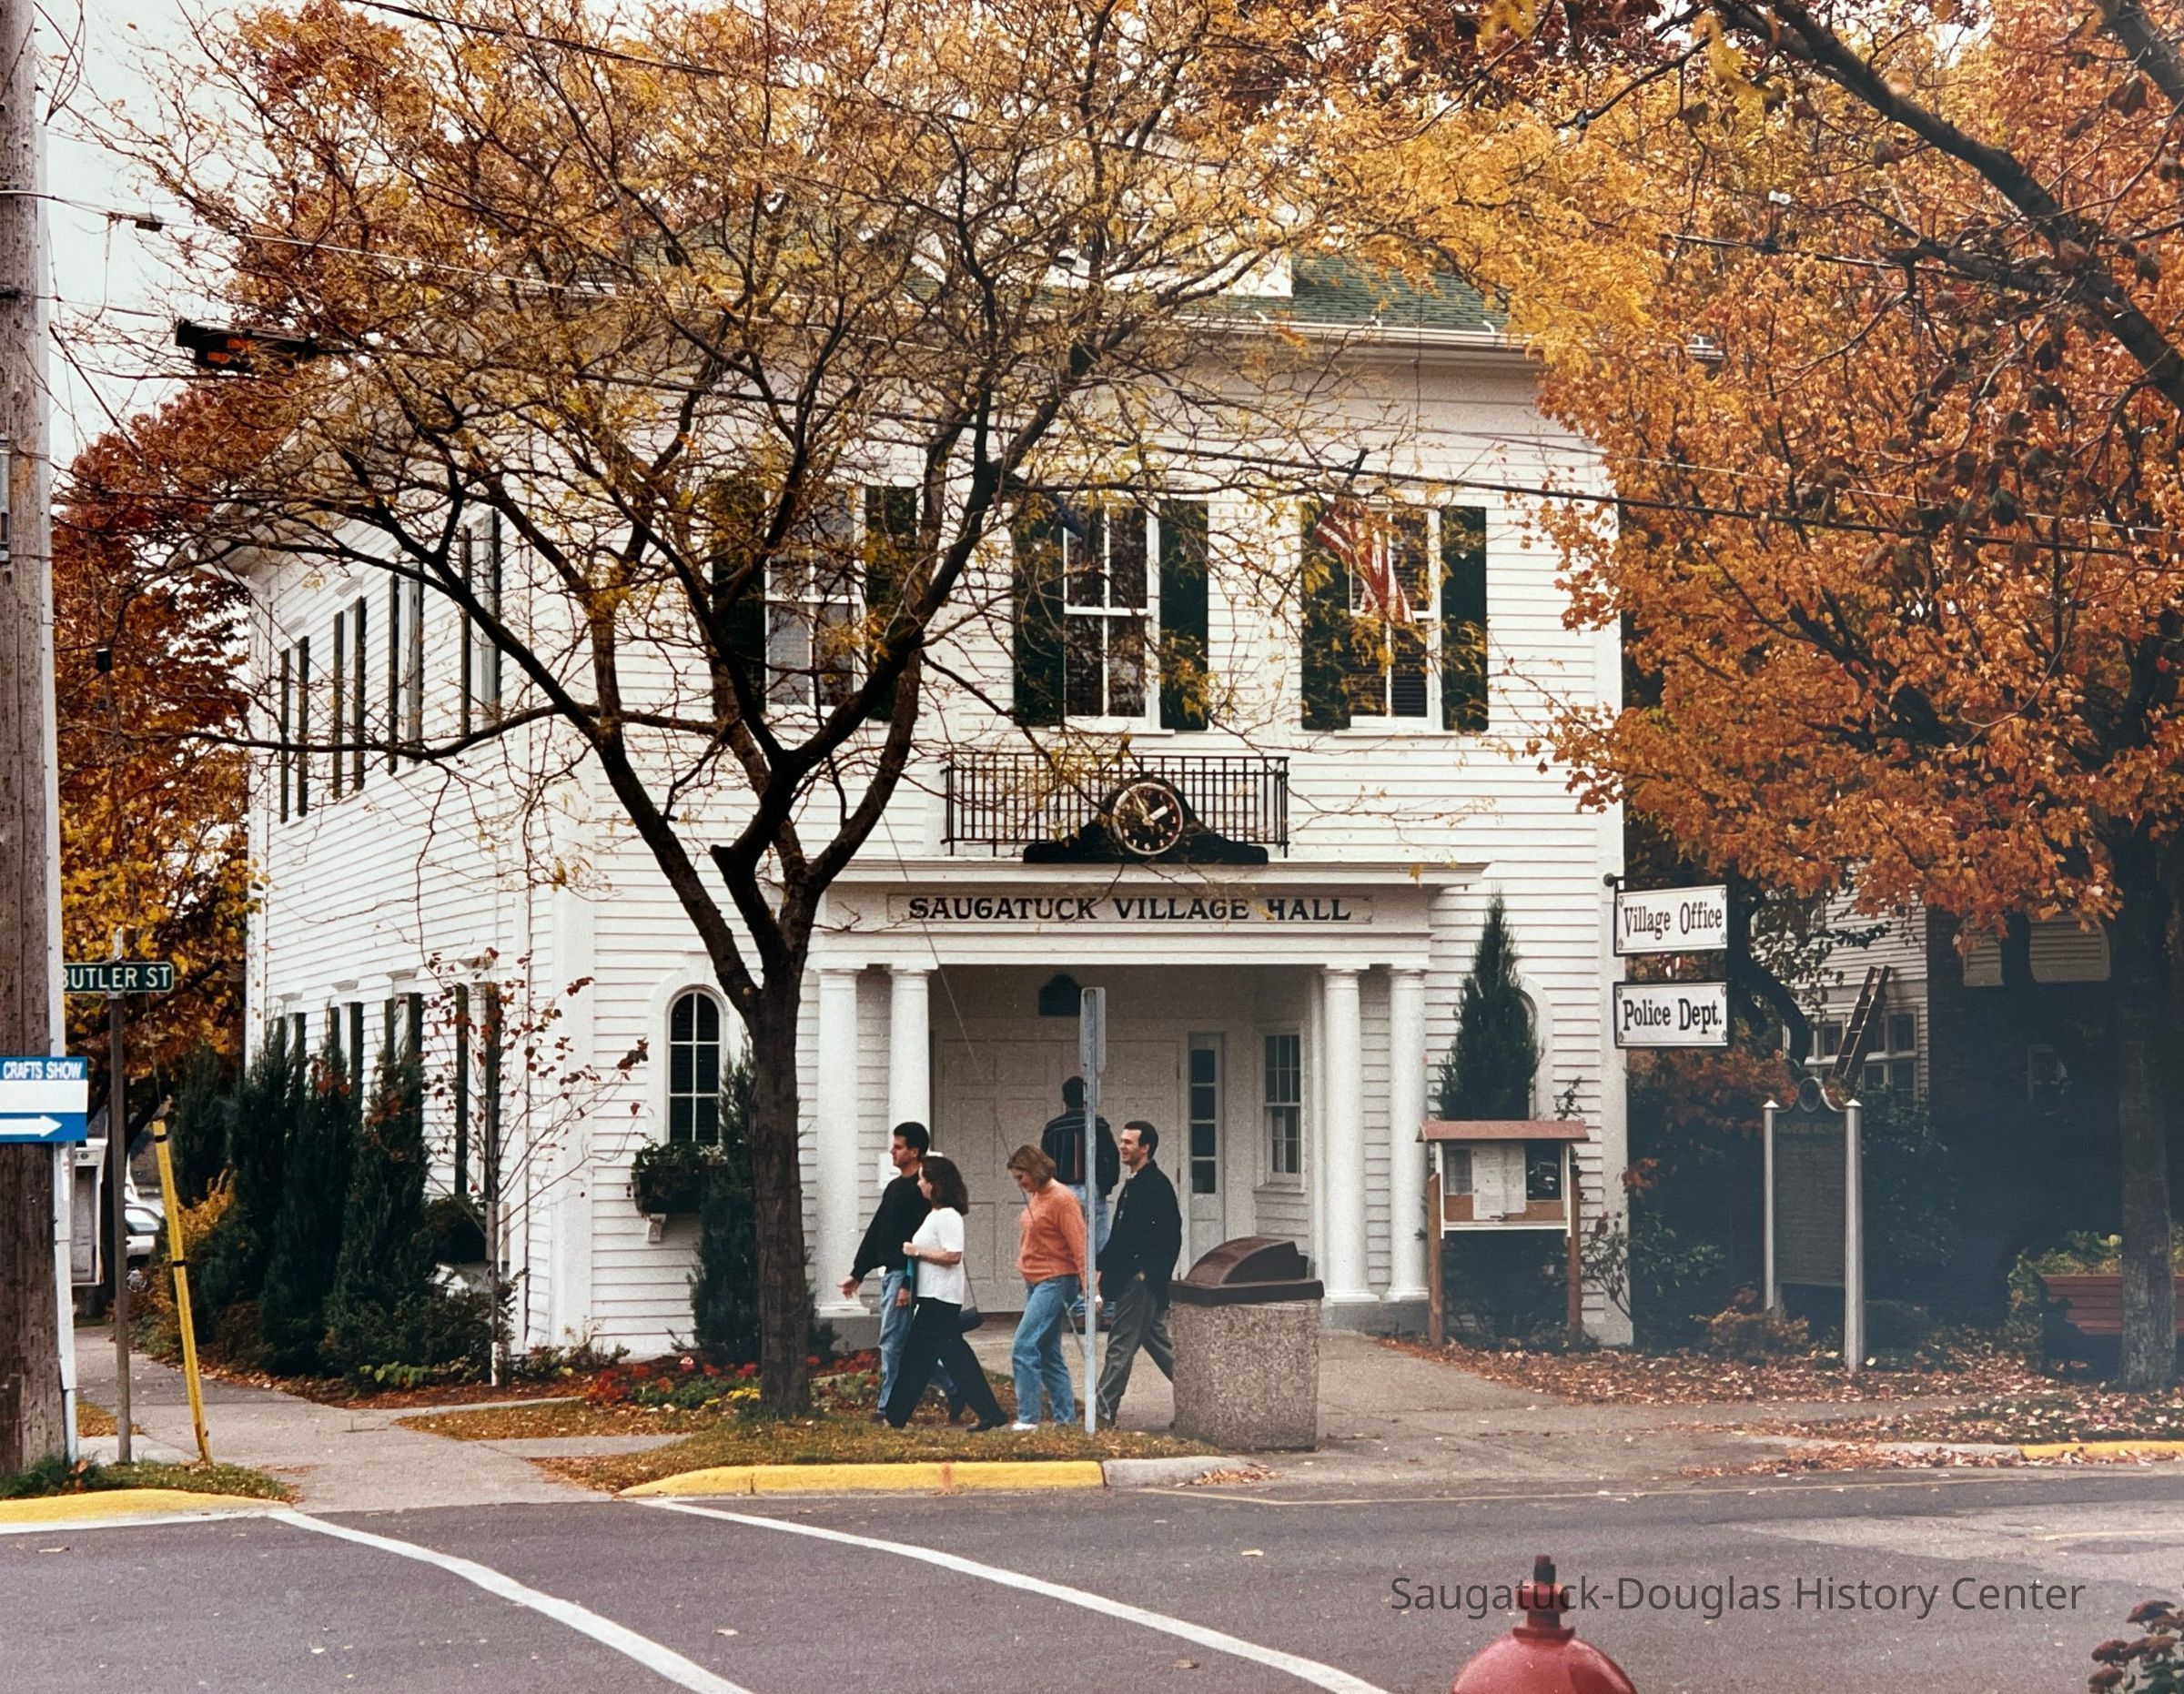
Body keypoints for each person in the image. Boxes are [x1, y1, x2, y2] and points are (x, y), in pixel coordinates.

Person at [841, 1121, 956, 1419]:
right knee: (905, 1344)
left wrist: (907, 1281)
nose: (892, 1151)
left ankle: (888, 1408)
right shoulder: (895, 1188)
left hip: (909, 1274)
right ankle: (954, 1387)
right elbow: (878, 1230)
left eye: (898, 1146)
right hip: (894, 1273)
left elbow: (917, 1242)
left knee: (891, 1340)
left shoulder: (922, 1192)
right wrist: (858, 1272)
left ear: (914, 1151)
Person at [882, 1156, 1006, 1431]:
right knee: (956, 1357)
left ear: (937, 1184)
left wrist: (917, 1251)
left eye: (924, 1179)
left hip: (940, 1299)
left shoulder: (948, 1215)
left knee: (915, 1358)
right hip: (932, 1297)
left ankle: (895, 1417)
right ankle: (991, 1413)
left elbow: (953, 1255)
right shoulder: (935, 1214)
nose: (920, 1184)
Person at [1095, 1120, 1182, 1426]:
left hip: (1141, 1281)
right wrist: (1102, 1267)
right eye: (1122, 1141)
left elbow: (1170, 1236)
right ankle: (1201, 1399)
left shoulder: (1154, 1186)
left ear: (1145, 1148)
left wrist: (1148, 1273)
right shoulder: (1133, 1184)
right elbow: (1121, 1236)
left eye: (1129, 1142)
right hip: (1134, 1279)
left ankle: (1101, 1415)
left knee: (1120, 1344)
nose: (1122, 1147)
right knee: (1159, 1344)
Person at [1006, 1143, 1086, 1428]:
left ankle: (1028, 1419)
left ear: (1035, 1170)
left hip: (1055, 1280)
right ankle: (1065, 1420)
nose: (1020, 1184)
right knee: (1049, 1351)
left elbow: (1080, 1244)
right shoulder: (1038, 1196)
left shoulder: (1063, 1198)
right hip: (1035, 1280)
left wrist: (1089, 1289)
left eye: (1021, 1177)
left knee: (1024, 1346)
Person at [1040, 1076, 1116, 1321]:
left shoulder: (1053, 1128)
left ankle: (1080, 1309)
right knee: (1100, 1248)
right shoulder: (1098, 1124)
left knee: (1070, 1249)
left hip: (1064, 1191)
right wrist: (1104, 1186)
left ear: (1064, 1099)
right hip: (1092, 1189)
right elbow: (1111, 1158)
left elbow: (1045, 1164)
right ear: (1086, 1098)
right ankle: (1106, 1305)